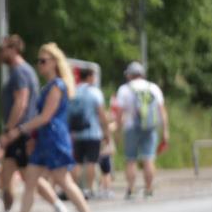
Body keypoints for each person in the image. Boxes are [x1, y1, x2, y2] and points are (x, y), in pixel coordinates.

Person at [3, 43, 98, 212]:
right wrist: (32, 137)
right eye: (39, 61)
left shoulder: (58, 86)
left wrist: (20, 130)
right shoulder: (50, 86)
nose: (40, 64)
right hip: (45, 138)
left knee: (63, 180)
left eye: (44, 61)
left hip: (54, 138)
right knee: (30, 178)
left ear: (55, 62)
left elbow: (45, 117)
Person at [0, 34, 77, 212]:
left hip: (21, 133)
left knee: (27, 177)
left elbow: (21, 103)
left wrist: (10, 131)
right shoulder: (23, 71)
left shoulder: (19, 73)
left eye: (2, 50)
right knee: (21, 176)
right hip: (24, 132)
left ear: (13, 50)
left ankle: (59, 211)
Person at [115, 61, 168, 199]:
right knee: (149, 158)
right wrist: (165, 131)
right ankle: (149, 189)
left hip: (131, 127)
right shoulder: (153, 88)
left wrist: (118, 131)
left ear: (129, 75)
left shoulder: (124, 89)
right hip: (150, 127)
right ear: (142, 74)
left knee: (130, 159)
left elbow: (119, 113)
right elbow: (162, 111)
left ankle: (131, 190)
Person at [68, 67, 111, 199]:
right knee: (91, 161)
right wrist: (106, 132)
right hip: (93, 132)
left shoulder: (74, 91)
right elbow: (101, 114)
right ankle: (89, 189)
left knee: (77, 162)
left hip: (76, 133)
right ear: (90, 77)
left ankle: (74, 189)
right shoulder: (94, 92)